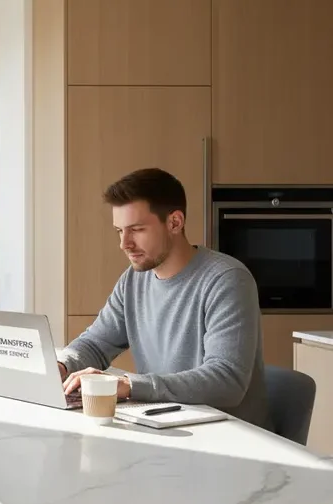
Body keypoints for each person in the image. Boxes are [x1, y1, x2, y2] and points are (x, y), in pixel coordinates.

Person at [58, 167, 270, 429]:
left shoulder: (227, 279)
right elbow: (96, 343)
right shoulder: (133, 280)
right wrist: (62, 366)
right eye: (119, 231)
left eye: (136, 229)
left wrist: (130, 385)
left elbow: (226, 381)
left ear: (174, 222)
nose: (124, 244)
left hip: (227, 436)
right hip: (166, 425)